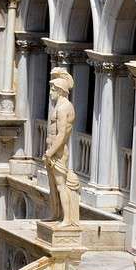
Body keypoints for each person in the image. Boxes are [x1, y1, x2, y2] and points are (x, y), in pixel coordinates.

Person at [43, 67, 81, 227]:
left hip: (58, 153)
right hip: (52, 152)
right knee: (52, 185)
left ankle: (67, 218)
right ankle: (56, 214)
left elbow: (61, 135)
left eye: (53, 89)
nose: (50, 91)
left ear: (60, 90)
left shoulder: (64, 107)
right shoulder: (58, 106)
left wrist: (50, 153)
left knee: (60, 185)